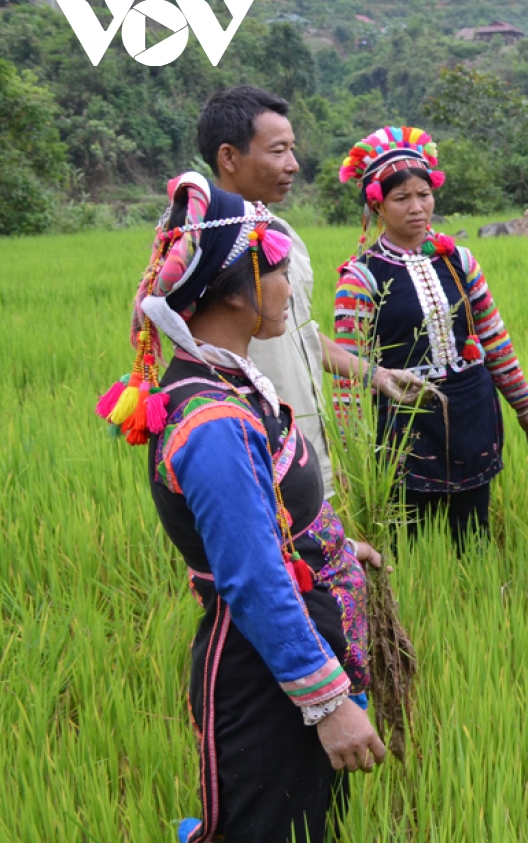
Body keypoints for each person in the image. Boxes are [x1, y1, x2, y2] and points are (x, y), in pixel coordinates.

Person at [96, 173, 386, 842]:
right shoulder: (215, 422)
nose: (289, 288)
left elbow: (271, 516)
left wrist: (337, 547)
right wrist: (329, 705)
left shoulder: (229, 384)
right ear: (234, 288)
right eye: (278, 271)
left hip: (287, 653)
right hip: (264, 677)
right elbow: (253, 577)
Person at [196, 86, 425, 496]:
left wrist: (375, 375)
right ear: (228, 157)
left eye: (292, 149)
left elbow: (301, 330)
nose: (294, 164)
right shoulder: (200, 244)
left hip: (304, 448)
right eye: (278, 151)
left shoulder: (279, 232)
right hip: (249, 455)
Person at [333, 126, 528, 549]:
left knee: (473, 536)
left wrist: (526, 410)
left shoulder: (460, 260)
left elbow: (495, 340)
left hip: (471, 414)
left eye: (423, 194)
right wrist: (350, 452)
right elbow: (347, 371)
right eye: (401, 198)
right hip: (406, 423)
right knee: (406, 544)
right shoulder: (361, 276)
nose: (417, 207)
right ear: (377, 203)